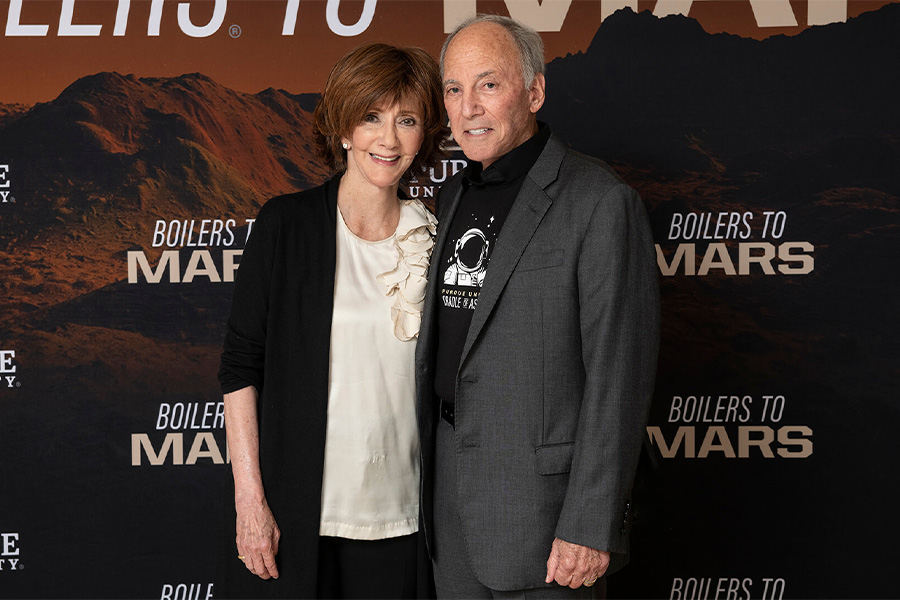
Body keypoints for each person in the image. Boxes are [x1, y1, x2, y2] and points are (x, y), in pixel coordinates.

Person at [414, 15, 660, 599]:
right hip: (449, 499)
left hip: (547, 519)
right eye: (453, 89)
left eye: (488, 84)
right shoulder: (452, 196)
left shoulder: (600, 202)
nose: (468, 106)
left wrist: (590, 524)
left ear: (535, 90)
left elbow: (618, 377)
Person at [216, 42, 446, 599]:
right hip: (302, 522)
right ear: (343, 128)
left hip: (410, 519)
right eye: (371, 117)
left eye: (406, 120)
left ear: (425, 136)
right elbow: (241, 368)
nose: (388, 139)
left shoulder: (441, 240)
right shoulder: (285, 227)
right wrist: (251, 502)